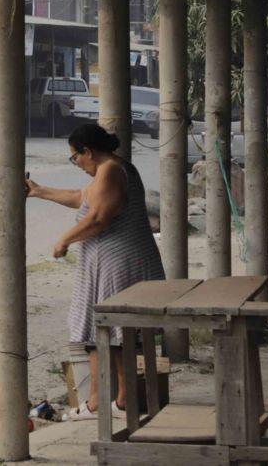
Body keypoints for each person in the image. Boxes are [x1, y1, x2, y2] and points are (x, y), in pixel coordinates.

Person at [26, 123, 165, 421]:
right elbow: (83, 197)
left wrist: (64, 239)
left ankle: (105, 402)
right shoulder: (110, 169)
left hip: (119, 265)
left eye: (75, 157)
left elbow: (99, 217)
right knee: (106, 333)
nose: (76, 164)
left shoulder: (112, 170)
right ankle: (108, 401)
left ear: (87, 151)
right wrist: (40, 191)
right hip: (109, 264)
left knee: (112, 332)